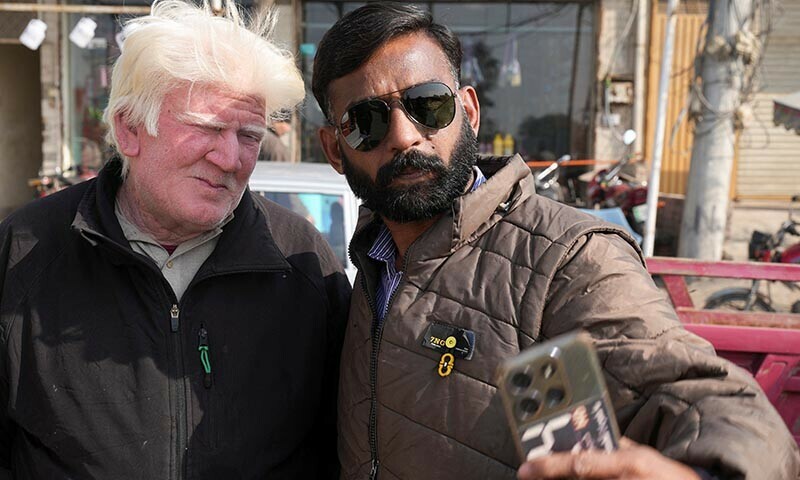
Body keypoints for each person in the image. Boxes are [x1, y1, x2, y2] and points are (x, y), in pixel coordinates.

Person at [311, 3, 799, 479]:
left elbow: (706, 398)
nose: (403, 136)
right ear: (335, 148)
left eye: (428, 105)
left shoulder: (569, 257)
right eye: (367, 122)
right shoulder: (370, 260)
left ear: (469, 111)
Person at [0, 1, 350, 478]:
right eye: (206, 128)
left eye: (249, 135)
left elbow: (344, 447)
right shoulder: (26, 252)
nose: (230, 159)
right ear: (129, 129)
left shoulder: (302, 262)